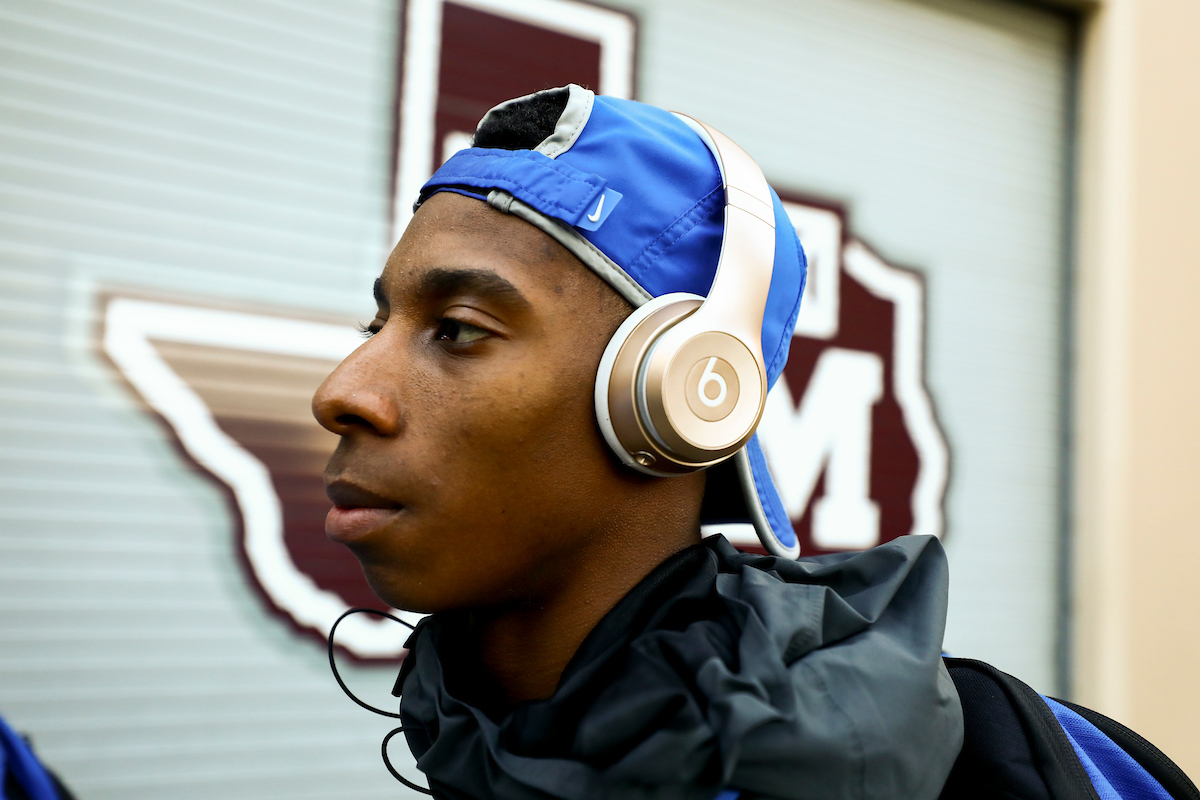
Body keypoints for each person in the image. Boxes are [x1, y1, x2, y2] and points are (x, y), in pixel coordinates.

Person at [313, 84, 964, 800]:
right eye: (377, 326)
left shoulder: (1026, 759)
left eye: (459, 329)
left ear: (688, 393)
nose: (340, 393)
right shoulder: (476, 732)